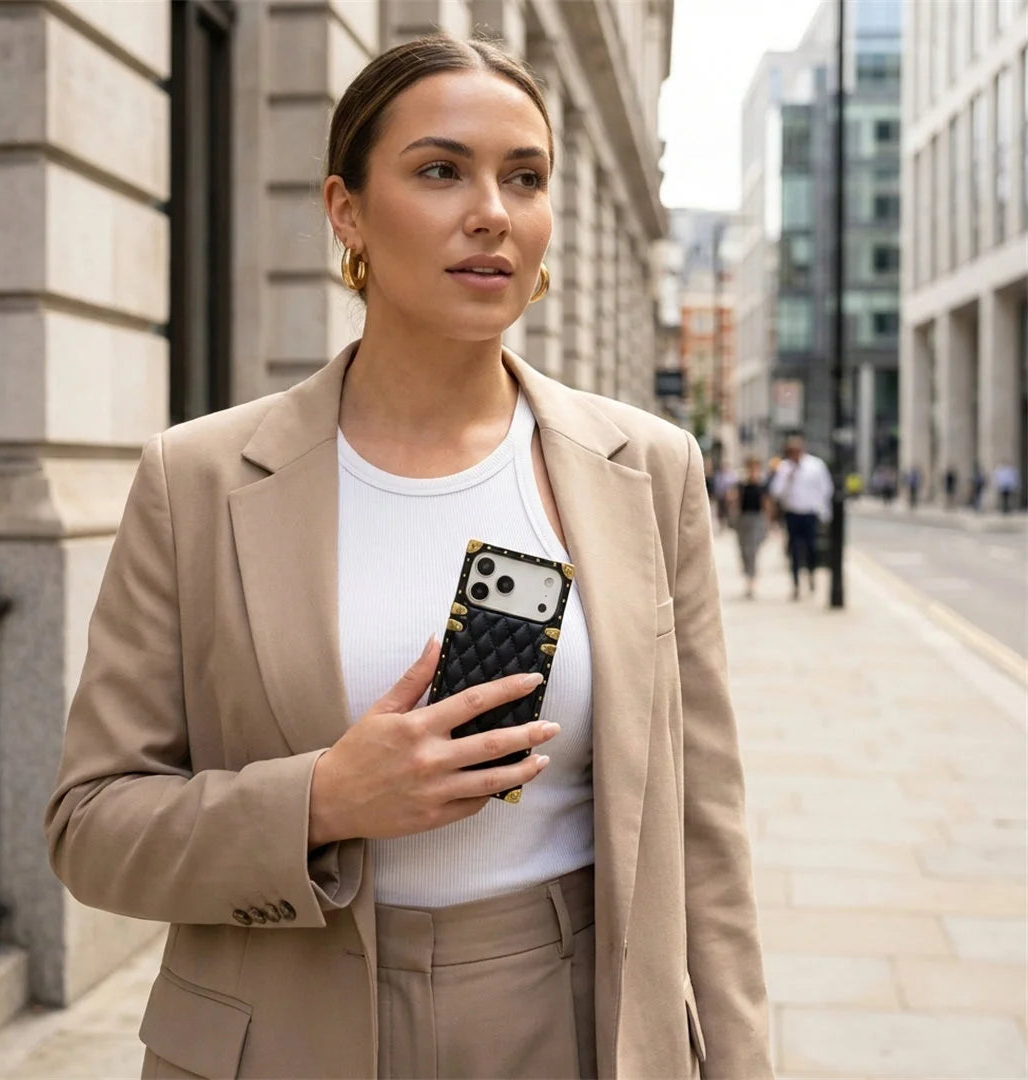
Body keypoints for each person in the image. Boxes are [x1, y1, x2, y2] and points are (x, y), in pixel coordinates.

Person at [43, 33, 772, 1080]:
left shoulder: (647, 469)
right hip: (282, 1032)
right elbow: (90, 827)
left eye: (525, 178)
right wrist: (322, 801)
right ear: (346, 211)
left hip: (564, 1018)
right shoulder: (196, 478)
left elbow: (706, 835)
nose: (493, 212)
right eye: (441, 171)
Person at [769, 434, 833, 601]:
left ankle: (811, 574)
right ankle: (796, 584)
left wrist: (824, 511)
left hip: (810, 513)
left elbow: (825, 488)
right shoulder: (785, 468)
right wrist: (788, 478)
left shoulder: (815, 466)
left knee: (811, 547)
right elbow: (775, 491)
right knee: (794, 551)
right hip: (792, 514)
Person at [729, 456, 770, 599]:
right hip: (743, 519)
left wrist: (768, 523)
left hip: (757, 519)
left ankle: (751, 581)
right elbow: (736, 502)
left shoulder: (762, 485)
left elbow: (766, 504)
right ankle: (748, 575)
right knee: (744, 550)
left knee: (753, 550)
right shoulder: (741, 485)